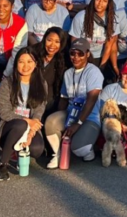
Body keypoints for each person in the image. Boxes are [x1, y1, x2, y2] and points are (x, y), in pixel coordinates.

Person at [44, 39, 103, 167]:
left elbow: (91, 100)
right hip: (71, 113)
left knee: (78, 149)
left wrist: (77, 124)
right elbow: (64, 99)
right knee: (50, 121)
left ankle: (89, 149)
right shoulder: (68, 73)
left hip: (89, 117)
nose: (76, 57)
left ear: (87, 54)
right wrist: (60, 123)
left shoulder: (93, 71)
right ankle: (57, 154)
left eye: (80, 54)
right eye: (72, 53)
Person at [0, 47, 49, 181]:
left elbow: (39, 111)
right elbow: (3, 111)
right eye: (21, 62)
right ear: (16, 63)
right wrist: (26, 121)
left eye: (30, 61)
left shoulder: (42, 83)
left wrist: (31, 133)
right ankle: (2, 164)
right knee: (20, 125)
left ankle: (18, 152)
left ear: (36, 64)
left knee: (37, 149)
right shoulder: (7, 82)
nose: (25, 66)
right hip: (9, 125)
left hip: (30, 126)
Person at [69, 0, 120, 79]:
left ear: (109, 4)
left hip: (101, 57)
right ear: (93, 0)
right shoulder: (81, 17)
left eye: (104, 1)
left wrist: (103, 67)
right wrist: (79, 60)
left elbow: (110, 46)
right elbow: (74, 42)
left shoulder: (113, 19)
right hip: (83, 57)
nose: (100, 3)